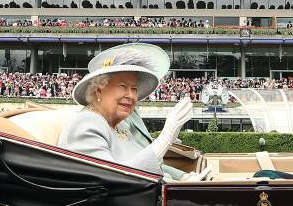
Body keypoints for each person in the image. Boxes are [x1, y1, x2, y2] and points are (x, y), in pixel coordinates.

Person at [58, 43, 193, 176]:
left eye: (134, 89)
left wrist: (184, 178)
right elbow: (114, 176)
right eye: (123, 86)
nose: (131, 95)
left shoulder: (120, 126)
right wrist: (166, 137)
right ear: (99, 91)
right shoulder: (85, 123)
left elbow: (143, 163)